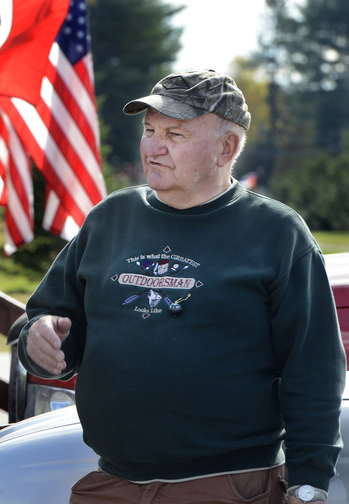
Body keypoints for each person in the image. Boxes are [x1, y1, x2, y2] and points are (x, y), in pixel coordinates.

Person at [18, 70, 346, 504]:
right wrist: (40, 340)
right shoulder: (110, 218)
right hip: (111, 482)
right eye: (149, 130)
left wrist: (308, 482)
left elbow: (314, 366)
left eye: (174, 133)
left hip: (226, 485)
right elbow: (51, 322)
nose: (153, 147)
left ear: (226, 148)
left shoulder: (277, 233)